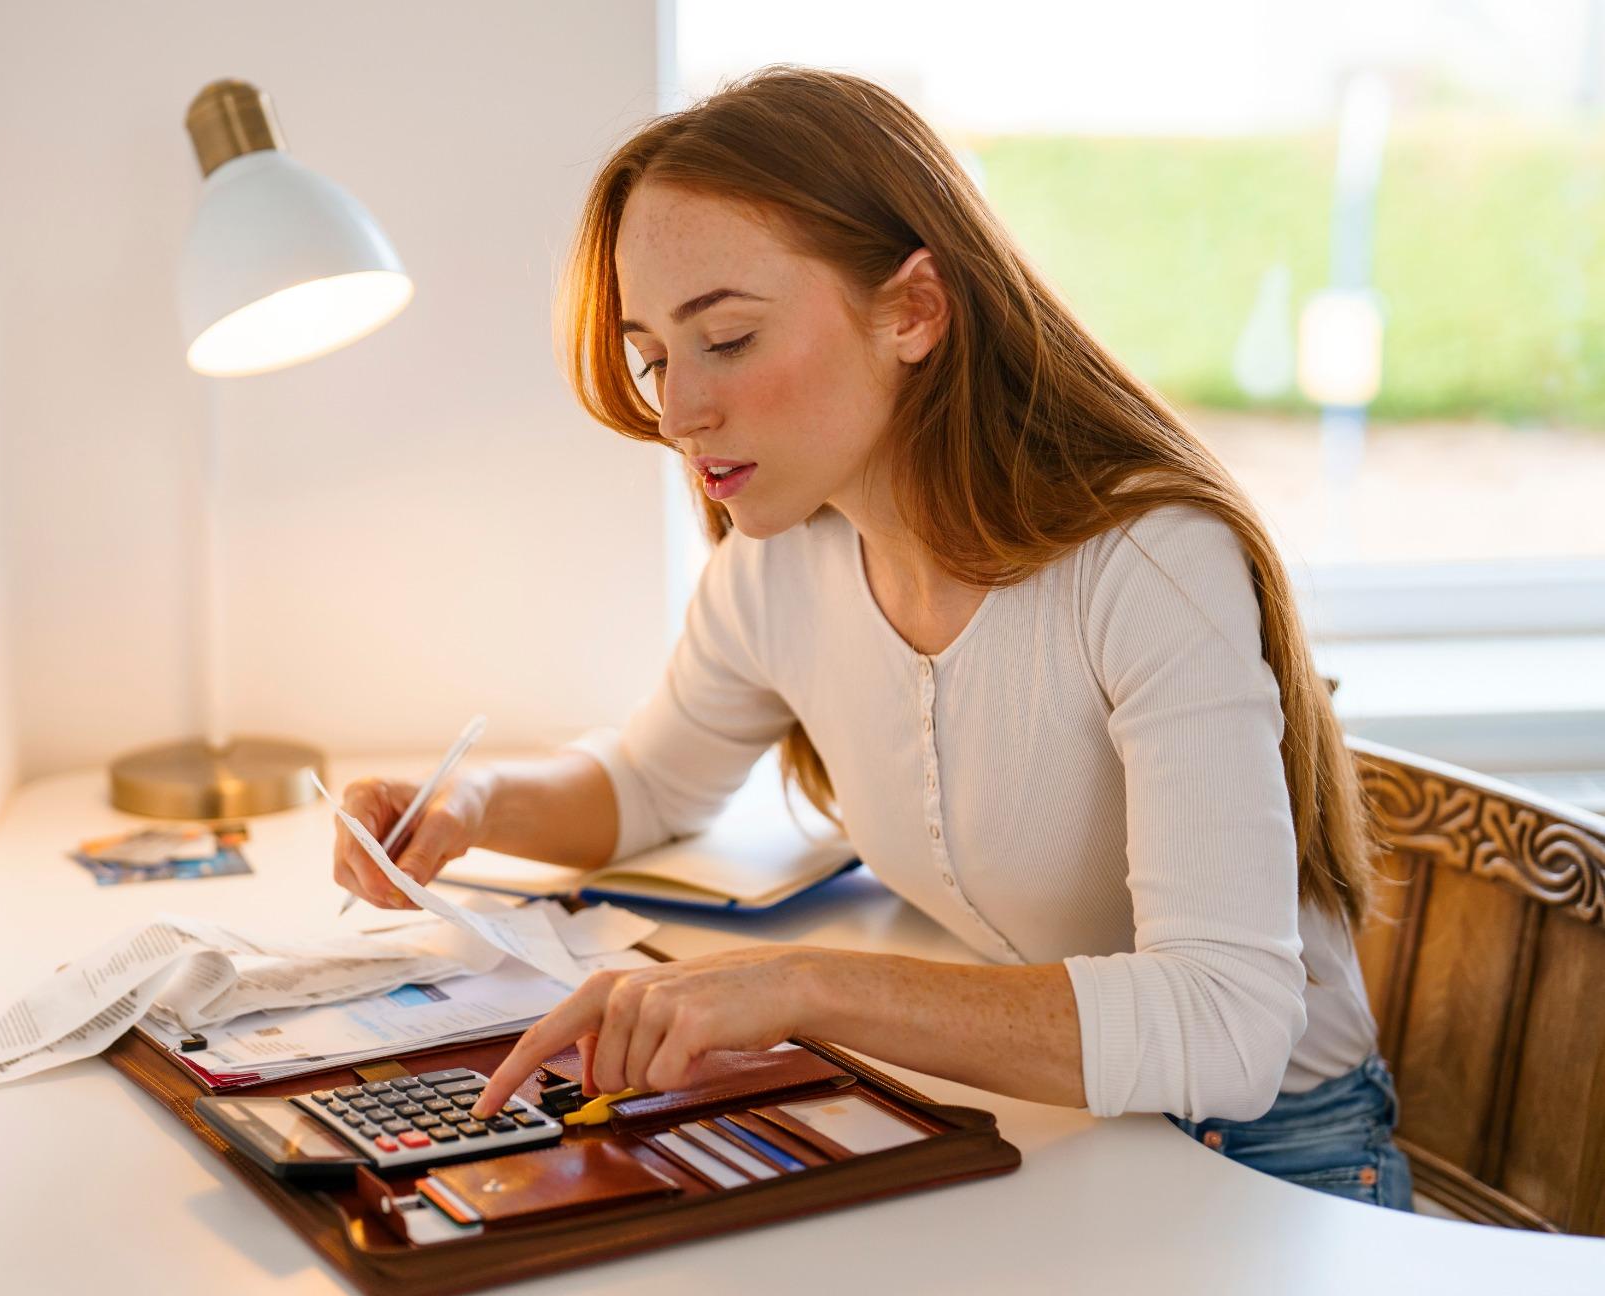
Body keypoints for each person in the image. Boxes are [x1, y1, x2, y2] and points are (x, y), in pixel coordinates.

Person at [328, 66, 1411, 1211]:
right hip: (1054, 1122)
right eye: (653, 356)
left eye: (728, 339)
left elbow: (1226, 1030)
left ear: (913, 311)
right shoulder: (782, 556)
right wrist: (468, 810)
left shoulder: (1146, 562)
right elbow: (653, 780)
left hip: (1266, 1159)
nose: (676, 410)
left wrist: (801, 987)